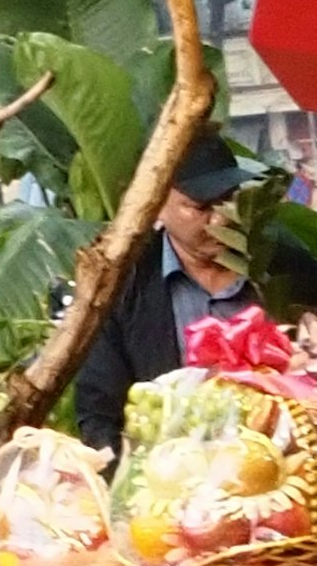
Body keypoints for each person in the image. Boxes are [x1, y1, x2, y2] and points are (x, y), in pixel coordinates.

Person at [63, 133, 263, 455]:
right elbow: (99, 413)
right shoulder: (121, 286)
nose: (220, 218)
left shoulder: (282, 270)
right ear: (156, 204)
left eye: (228, 199)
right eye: (200, 206)